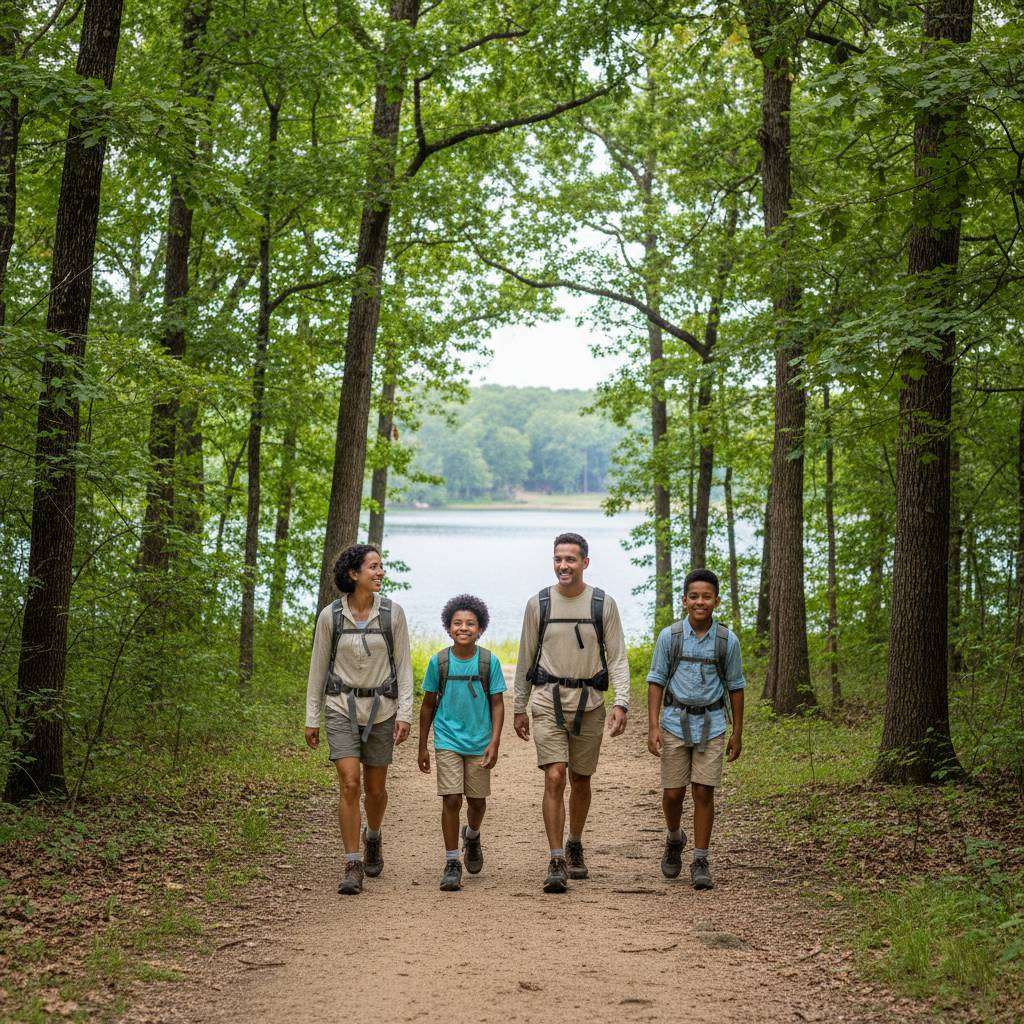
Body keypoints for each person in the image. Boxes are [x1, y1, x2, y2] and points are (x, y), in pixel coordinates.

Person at [513, 532, 630, 893]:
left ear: (585, 563)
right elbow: (524, 658)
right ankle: (555, 857)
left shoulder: (602, 604)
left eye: (571, 560)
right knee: (555, 776)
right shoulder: (539, 604)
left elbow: (619, 657)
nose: (564, 566)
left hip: (590, 703)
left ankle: (575, 841)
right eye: (558, 559)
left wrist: (622, 702)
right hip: (547, 699)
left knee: (581, 778)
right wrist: (519, 705)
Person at [305, 543, 413, 896]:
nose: (380, 572)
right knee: (350, 782)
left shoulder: (392, 614)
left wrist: (406, 714)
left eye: (380, 567)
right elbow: (318, 669)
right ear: (354, 574)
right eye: (373, 567)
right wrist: (312, 718)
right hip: (340, 708)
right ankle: (352, 862)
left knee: (375, 789)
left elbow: (405, 668)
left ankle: (373, 836)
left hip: (382, 710)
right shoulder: (330, 616)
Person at [646, 567, 744, 891]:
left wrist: (737, 731)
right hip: (674, 722)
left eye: (706, 596)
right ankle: (675, 837)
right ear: (684, 600)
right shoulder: (669, 637)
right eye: (694, 596)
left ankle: (700, 858)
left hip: (713, 724)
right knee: (673, 793)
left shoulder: (727, 641)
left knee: (704, 791)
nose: (700, 602)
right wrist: (652, 726)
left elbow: (736, 686)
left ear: (716, 600)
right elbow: (656, 680)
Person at [417, 594, 506, 892]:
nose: (463, 628)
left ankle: (473, 836)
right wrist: (422, 746)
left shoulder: (488, 661)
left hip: (480, 742)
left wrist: (494, 741)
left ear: (480, 629)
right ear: (448, 627)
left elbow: (497, 703)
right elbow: (428, 705)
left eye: (470, 623)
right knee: (452, 798)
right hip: (447, 739)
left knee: (477, 802)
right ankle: (452, 861)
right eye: (457, 623)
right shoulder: (439, 662)